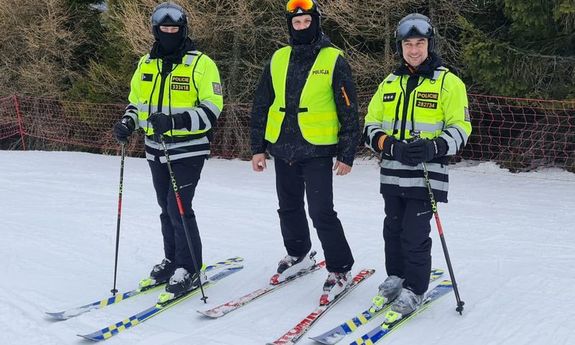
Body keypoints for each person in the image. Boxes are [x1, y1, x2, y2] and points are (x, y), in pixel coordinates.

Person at [250, 0, 359, 305]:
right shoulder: (278, 58)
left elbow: (349, 107)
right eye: (296, 23)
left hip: (317, 150)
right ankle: (299, 253)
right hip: (282, 147)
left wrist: (347, 152)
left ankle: (340, 268)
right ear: (290, 25)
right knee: (288, 206)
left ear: (316, 22)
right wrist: (257, 148)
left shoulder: (334, 59)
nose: (301, 26)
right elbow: (261, 104)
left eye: (306, 21)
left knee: (321, 211)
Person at [363, 13, 472, 316]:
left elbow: (462, 127)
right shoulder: (389, 83)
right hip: (392, 174)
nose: (413, 49)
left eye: (419, 43)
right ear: (401, 46)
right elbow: (370, 124)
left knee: (414, 233)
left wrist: (434, 146)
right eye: (408, 43)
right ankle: (396, 277)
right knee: (392, 229)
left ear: (428, 44)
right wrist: (389, 144)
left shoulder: (448, 83)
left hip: (427, 175)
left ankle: (415, 289)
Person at [112, 2, 223, 298]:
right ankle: (173, 259)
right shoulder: (146, 63)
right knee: (166, 208)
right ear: (156, 32)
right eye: (164, 30)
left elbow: (213, 109)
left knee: (179, 208)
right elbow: (137, 102)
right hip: (155, 149)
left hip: (188, 150)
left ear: (183, 30)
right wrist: (128, 121)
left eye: (175, 30)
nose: (170, 34)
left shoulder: (201, 64)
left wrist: (175, 120)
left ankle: (189, 266)